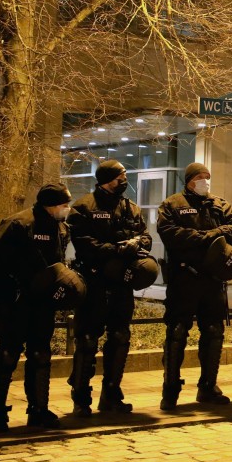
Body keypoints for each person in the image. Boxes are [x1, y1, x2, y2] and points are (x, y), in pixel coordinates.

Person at [0, 183, 76, 431]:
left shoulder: (60, 227)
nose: (67, 208)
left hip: (42, 303)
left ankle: (39, 410)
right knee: (7, 355)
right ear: (50, 204)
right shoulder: (19, 224)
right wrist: (6, 296)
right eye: (63, 204)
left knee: (40, 354)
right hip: (15, 302)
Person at [68, 159, 153, 415]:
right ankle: (81, 397)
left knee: (119, 336)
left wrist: (138, 242)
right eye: (120, 176)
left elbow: (146, 235)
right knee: (87, 339)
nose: (124, 180)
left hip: (121, 282)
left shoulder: (131, 207)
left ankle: (111, 394)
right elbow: (82, 242)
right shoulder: (84, 206)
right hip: (93, 281)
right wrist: (114, 249)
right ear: (107, 178)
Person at [155, 162, 232, 411]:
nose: (205, 181)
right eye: (201, 177)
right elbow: (170, 235)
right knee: (177, 331)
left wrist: (211, 235)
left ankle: (208, 386)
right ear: (190, 180)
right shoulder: (172, 204)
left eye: (208, 177)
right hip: (184, 278)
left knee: (213, 331)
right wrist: (209, 237)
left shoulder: (219, 204)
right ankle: (170, 390)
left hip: (212, 281)